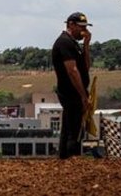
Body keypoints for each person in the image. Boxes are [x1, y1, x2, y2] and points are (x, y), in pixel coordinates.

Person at [51, 11, 92, 159]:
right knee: (73, 130)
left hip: (76, 91)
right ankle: (70, 158)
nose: (83, 31)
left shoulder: (74, 44)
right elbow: (72, 71)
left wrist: (86, 45)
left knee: (71, 126)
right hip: (70, 91)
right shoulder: (64, 42)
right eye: (81, 27)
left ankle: (65, 158)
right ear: (71, 25)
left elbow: (85, 67)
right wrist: (83, 96)